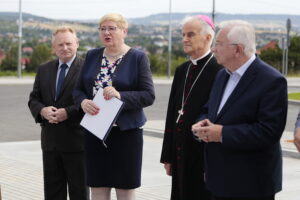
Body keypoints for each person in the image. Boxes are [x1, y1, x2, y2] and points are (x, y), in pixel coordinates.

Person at [192, 20, 288, 200]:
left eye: (218, 44)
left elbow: (269, 132)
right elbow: (210, 110)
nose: (213, 49)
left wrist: (222, 133)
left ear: (238, 49)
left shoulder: (271, 81)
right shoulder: (222, 74)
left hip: (251, 182)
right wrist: (202, 122)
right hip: (218, 179)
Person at [73, 13, 155, 200]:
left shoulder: (138, 58)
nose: (106, 32)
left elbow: (149, 95)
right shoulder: (92, 55)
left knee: (125, 189)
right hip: (95, 133)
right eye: (102, 29)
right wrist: (83, 102)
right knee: (98, 188)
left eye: (112, 28)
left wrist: (120, 96)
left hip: (126, 135)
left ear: (124, 31)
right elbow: (77, 91)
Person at [160, 15, 222, 200]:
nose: (185, 39)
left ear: (208, 37)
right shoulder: (182, 70)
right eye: (183, 34)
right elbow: (172, 114)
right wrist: (167, 155)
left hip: (202, 154)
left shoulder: (219, 70)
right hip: (180, 152)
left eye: (191, 34)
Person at [28, 26, 87, 200]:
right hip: (50, 144)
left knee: (80, 193)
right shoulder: (44, 69)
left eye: (69, 43)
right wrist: (42, 110)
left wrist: (68, 112)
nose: (65, 48)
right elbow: (33, 99)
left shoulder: (88, 69)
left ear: (77, 44)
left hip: (78, 143)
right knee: (53, 193)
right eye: (60, 45)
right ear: (53, 48)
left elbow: (93, 101)